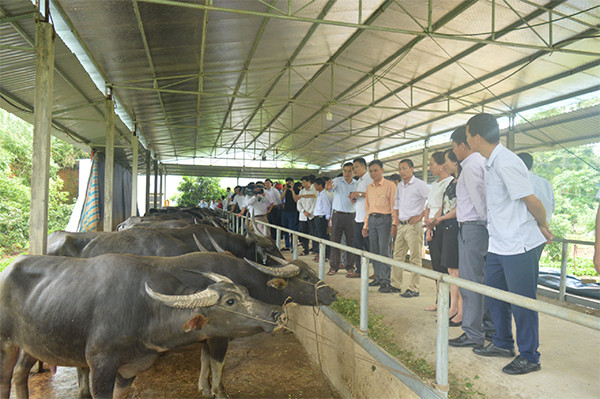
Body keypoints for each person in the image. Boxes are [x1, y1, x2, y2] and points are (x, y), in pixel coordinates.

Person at [467, 113, 552, 375]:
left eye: (468, 134)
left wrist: (542, 225)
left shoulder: (506, 163)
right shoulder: (491, 163)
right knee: (495, 296)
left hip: (519, 245)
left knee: (522, 302)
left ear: (478, 137)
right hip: (499, 244)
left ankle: (530, 356)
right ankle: (503, 343)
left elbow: (533, 202)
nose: (467, 139)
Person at [448, 126, 490, 349]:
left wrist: (484, 224)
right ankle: (486, 329)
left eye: (455, 147)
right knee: (478, 280)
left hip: (473, 227)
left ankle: (473, 333)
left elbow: (479, 201)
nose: (454, 152)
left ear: (463, 145)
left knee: (471, 282)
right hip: (474, 226)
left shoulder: (472, 166)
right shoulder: (476, 164)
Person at [431, 149, 463, 325]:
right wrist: (436, 219)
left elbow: (460, 208)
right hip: (447, 227)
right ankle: (453, 308)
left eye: (447, 161)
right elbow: (444, 205)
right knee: (451, 270)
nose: (445, 165)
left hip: (455, 227)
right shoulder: (453, 183)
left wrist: (441, 218)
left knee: (457, 271)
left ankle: (458, 310)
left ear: (455, 162)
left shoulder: (460, 183)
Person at [392, 159, 429, 298]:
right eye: (400, 168)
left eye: (405, 168)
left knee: (414, 257)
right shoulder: (400, 186)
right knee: (397, 256)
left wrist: (420, 216)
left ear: (412, 169)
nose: (402, 171)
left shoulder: (420, 184)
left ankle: (414, 288)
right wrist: (395, 222)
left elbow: (431, 200)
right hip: (401, 224)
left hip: (413, 226)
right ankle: (395, 284)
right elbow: (396, 203)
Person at [363, 160, 399, 293]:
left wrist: (394, 223)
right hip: (372, 220)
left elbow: (394, 206)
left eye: (376, 170)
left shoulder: (390, 186)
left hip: (385, 220)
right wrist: (365, 224)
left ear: (382, 170)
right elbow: (367, 207)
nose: (373, 173)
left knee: (384, 250)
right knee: (374, 250)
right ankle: (377, 276)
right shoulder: (369, 187)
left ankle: (385, 280)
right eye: (371, 171)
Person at [423, 151, 453, 311]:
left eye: (432, 164)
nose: (429, 167)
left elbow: (444, 205)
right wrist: (427, 224)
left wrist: (434, 221)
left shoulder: (449, 182)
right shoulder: (434, 184)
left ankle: (447, 303)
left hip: (442, 224)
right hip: (431, 225)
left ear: (442, 165)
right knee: (435, 266)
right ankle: (439, 300)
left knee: (445, 266)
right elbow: (428, 205)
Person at [325, 163, 358, 275]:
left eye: (349, 171)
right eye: (345, 171)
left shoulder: (357, 184)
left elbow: (359, 199)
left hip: (351, 216)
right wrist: (328, 188)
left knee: (351, 242)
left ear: (353, 172)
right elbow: (329, 189)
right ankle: (334, 266)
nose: (347, 174)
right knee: (335, 241)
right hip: (338, 215)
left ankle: (350, 266)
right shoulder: (337, 181)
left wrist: (356, 199)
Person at [347, 157, 373, 278]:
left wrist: (359, 194)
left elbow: (373, 195)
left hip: (366, 218)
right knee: (357, 244)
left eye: (356, 167)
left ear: (364, 167)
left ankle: (373, 270)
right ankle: (360, 269)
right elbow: (361, 197)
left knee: (367, 245)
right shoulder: (360, 181)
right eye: (353, 168)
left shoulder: (369, 179)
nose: (354, 170)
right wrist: (354, 198)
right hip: (359, 217)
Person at [517, 152, 555, 223]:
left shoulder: (518, 182)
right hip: (545, 227)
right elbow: (552, 207)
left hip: (526, 228)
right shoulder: (545, 182)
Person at [297, 176, 317, 256]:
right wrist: (303, 211)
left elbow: (315, 203)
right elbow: (299, 203)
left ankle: (315, 249)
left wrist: (310, 212)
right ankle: (305, 249)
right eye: (302, 182)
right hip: (303, 216)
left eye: (304, 182)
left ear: (309, 182)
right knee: (304, 234)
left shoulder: (314, 190)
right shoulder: (301, 191)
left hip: (311, 215)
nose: (303, 184)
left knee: (313, 233)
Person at [312, 177, 332, 260]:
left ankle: (326, 255)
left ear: (320, 185)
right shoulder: (320, 195)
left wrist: (328, 220)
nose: (314, 186)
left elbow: (327, 208)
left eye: (315, 185)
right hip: (317, 218)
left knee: (323, 237)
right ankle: (320, 254)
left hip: (322, 219)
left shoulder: (324, 195)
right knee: (318, 237)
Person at [280, 177, 300, 251]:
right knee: (285, 228)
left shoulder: (296, 190)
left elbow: (295, 199)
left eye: (290, 183)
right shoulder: (285, 190)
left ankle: (293, 245)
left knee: (292, 229)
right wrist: (285, 189)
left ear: (293, 183)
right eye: (287, 183)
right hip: (285, 211)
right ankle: (287, 245)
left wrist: (292, 190)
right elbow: (281, 198)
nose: (288, 184)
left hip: (293, 211)